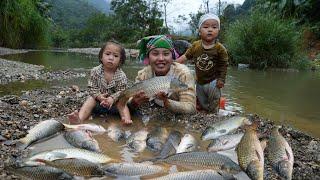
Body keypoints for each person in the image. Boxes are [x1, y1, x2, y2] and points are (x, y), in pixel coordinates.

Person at [68, 40, 132, 124]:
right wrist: (99, 96)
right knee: (90, 100)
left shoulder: (121, 76)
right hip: (98, 103)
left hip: (114, 105)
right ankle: (79, 119)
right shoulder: (95, 71)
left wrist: (112, 98)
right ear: (101, 57)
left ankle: (126, 120)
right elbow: (91, 87)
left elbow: (121, 92)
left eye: (115, 56)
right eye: (107, 54)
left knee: (122, 102)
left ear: (120, 61)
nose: (111, 58)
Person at [176, 13, 228, 113]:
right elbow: (185, 57)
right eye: (205, 27)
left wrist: (221, 79)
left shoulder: (220, 49)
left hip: (214, 81)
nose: (210, 29)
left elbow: (224, 65)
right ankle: (204, 111)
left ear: (218, 30)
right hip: (200, 81)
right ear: (199, 30)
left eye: (214, 27)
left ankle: (213, 113)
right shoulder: (195, 46)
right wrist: (174, 64)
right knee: (201, 99)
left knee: (214, 99)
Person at [130, 35, 196, 114]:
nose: (161, 58)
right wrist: (134, 102)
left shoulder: (184, 73)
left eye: (166, 54)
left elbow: (191, 108)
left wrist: (166, 102)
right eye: (155, 54)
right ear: (148, 58)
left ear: (172, 57)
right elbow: (129, 100)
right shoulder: (143, 74)